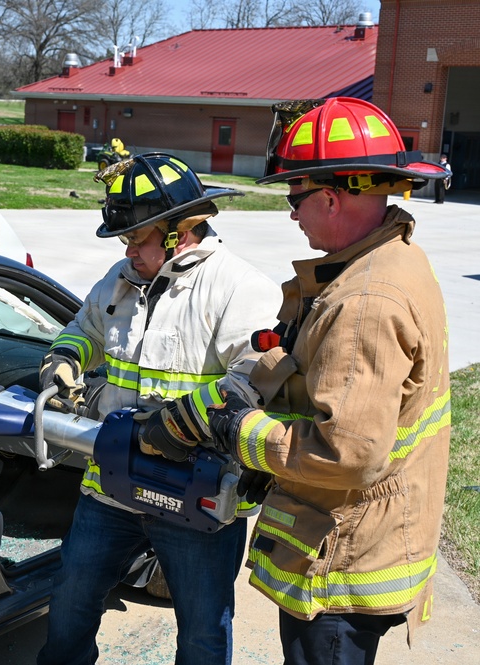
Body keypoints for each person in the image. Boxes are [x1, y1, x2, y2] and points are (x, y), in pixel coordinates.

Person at [207, 97, 451, 665]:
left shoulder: (363, 302)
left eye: (295, 199)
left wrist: (241, 431)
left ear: (331, 198)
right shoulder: (395, 257)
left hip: (343, 569)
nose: (293, 216)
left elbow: (347, 453)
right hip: (374, 536)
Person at [36, 152, 282, 665]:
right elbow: (84, 330)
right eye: (123, 240)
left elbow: (257, 379)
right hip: (111, 486)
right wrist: (64, 359)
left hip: (197, 497)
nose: (128, 250)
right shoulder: (120, 278)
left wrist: (179, 424)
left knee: (203, 633)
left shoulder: (239, 288)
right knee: (70, 603)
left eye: (136, 238)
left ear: (179, 232)